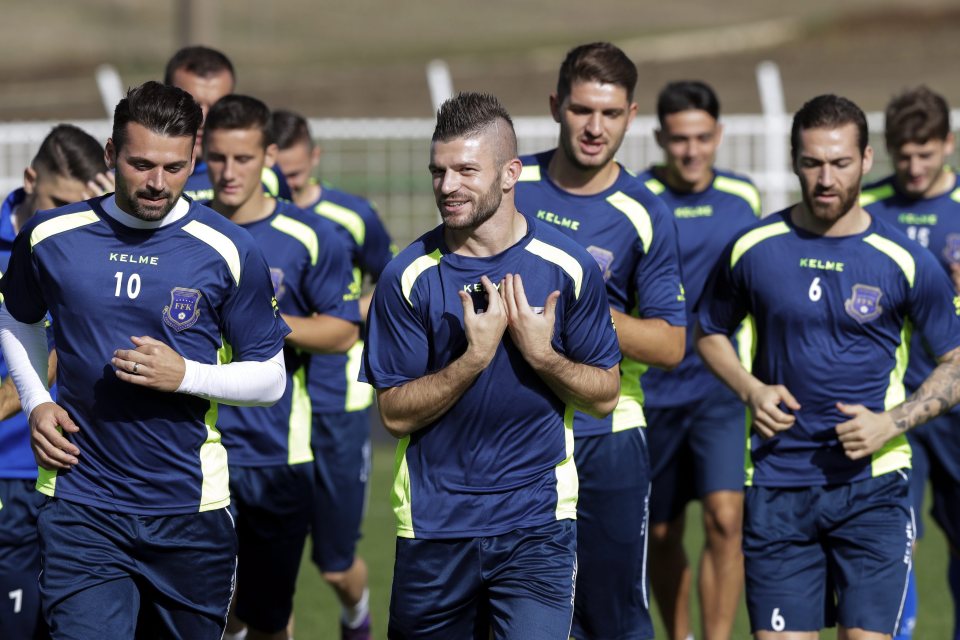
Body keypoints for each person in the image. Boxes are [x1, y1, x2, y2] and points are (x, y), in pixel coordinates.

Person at [0, 81, 290, 639]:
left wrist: (188, 376)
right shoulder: (50, 235)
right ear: (111, 155)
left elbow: (270, 377)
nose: (158, 183)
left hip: (190, 511)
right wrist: (36, 402)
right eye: (140, 164)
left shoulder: (228, 249)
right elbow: (16, 316)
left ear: (192, 160)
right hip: (82, 503)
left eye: (175, 168)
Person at [696, 93, 960, 639]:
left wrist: (892, 422)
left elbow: (956, 361)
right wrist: (749, 390)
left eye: (840, 163)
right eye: (812, 162)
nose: (825, 178)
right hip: (776, 485)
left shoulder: (905, 261)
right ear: (794, 160)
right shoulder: (754, 247)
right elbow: (707, 330)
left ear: (865, 161)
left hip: (874, 486)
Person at [361, 91, 622, 639]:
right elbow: (395, 415)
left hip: (537, 526)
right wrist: (473, 359)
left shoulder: (568, 267)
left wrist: (543, 354)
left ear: (510, 174)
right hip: (435, 527)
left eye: (465, 171)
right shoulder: (405, 277)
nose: (447, 186)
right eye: (438, 171)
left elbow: (604, 396)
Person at [514, 42, 686, 640]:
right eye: (582, 110)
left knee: (611, 619)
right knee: (514, 615)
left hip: (604, 436)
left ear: (632, 116)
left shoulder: (644, 212)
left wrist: (579, 312)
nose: (594, 127)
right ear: (557, 105)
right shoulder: (509, 183)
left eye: (610, 114)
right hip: (512, 433)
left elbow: (670, 344)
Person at [202, 95, 360, 640]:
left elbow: (342, 331)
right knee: (207, 617)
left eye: (243, 158)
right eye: (217, 158)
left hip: (276, 455)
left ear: (268, 155)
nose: (228, 172)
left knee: (268, 620)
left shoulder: (311, 236)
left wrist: (263, 322)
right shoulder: (181, 227)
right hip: (190, 451)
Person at [637, 80, 759, 640]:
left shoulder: (745, 200)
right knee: (660, 534)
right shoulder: (635, 199)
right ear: (661, 136)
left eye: (702, 138)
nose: (691, 151)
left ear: (719, 135)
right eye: (680, 139)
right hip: (652, 393)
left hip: (718, 388)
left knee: (726, 520)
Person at [271, 109, 395, 640]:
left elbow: (389, 277)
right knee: (265, 567)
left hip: (338, 408)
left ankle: (356, 618)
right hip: (272, 409)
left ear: (313, 160)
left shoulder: (351, 216)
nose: (286, 184)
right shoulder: (253, 227)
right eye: (277, 175)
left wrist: (348, 314)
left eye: (295, 175)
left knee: (336, 565)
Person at [0, 124, 111, 640]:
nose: (59, 216)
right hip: (9, 473)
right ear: (28, 179)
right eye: (55, 200)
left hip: (74, 480)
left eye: (75, 205)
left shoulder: (92, 249)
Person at [861, 85, 960, 640]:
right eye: (905, 155)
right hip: (893, 405)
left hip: (956, 400)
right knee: (893, 538)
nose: (916, 166)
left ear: (948, 143)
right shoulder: (870, 211)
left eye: (927, 153)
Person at [163, 45, 290, 201]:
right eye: (191, 105)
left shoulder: (266, 174)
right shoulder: (140, 172)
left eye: (216, 106)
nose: (202, 119)